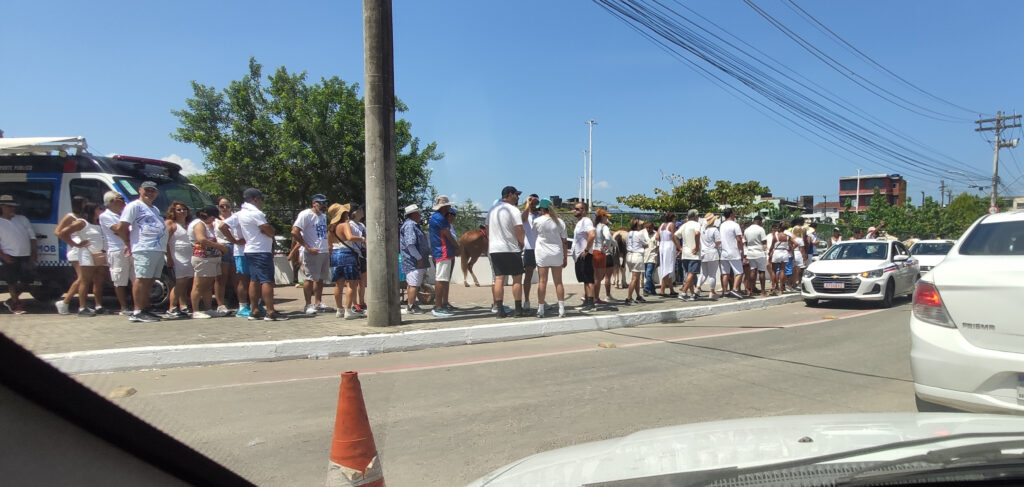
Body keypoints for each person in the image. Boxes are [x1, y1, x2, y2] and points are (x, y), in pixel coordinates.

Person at [114, 181, 169, 323]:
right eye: (147, 190)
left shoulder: (154, 208)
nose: (150, 193)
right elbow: (121, 227)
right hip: (144, 247)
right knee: (142, 279)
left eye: (153, 190)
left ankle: (145, 308)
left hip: (157, 249)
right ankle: (137, 311)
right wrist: (128, 243)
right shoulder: (134, 206)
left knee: (150, 280)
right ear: (140, 190)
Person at [236, 187, 287, 321]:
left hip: (250, 249)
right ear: (255, 199)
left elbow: (223, 226)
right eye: (261, 200)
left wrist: (234, 240)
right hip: (261, 250)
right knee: (267, 281)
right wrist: (271, 231)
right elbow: (268, 230)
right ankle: (270, 311)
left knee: (255, 280)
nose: (262, 203)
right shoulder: (256, 213)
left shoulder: (241, 213)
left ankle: (255, 310)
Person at [487, 186, 526, 318]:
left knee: (499, 278)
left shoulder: (491, 210)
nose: (518, 197)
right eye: (516, 194)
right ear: (509, 195)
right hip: (510, 248)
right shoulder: (513, 210)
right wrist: (522, 243)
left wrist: (492, 241)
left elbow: (487, 229)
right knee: (517, 277)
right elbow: (519, 228)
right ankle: (518, 309)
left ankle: (499, 310)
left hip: (494, 248)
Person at [291, 194, 330, 315]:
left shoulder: (323, 216)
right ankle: (308, 304)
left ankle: (318, 302)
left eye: (325, 203)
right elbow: (295, 231)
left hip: (323, 251)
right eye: (321, 203)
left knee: (320, 279)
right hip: (312, 252)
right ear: (314, 203)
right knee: (309, 278)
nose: (324, 205)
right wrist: (307, 246)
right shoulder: (306, 214)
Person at [188, 205, 228, 319]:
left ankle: (208, 308)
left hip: (211, 258)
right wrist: (219, 246)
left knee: (208, 285)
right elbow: (202, 239)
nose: (213, 220)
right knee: (199, 284)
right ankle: (195, 310)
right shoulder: (198, 223)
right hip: (202, 258)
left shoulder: (206, 224)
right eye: (212, 217)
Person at [531, 199, 568, 318]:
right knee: (558, 282)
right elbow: (564, 242)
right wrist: (565, 257)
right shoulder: (560, 222)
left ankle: (540, 309)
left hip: (542, 253)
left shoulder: (537, 221)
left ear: (542, 209)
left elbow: (535, 232)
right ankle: (561, 309)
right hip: (557, 252)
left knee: (542, 281)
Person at [0, 194, 37, 314]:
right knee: (12, 281)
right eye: (9, 206)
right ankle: (16, 304)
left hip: (25, 254)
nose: (12, 209)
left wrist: (33, 251)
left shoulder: (22, 219)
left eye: (13, 207)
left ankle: (11, 300)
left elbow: (32, 236)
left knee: (27, 280)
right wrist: (3, 255)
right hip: (10, 255)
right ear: (2, 207)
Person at [328, 203, 364, 319]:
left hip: (335, 254)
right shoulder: (344, 225)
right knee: (351, 283)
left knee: (338, 284)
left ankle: (339, 310)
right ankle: (348, 310)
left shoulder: (331, 228)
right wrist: (363, 239)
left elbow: (329, 245)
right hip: (347, 254)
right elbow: (350, 237)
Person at [54, 195, 87, 315]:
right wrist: (73, 243)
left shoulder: (82, 217)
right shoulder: (70, 216)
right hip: (76, 250)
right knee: (82, 277)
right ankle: (65, 302)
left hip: (83, 250)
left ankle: (68, 302)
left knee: (84, 278)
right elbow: (58, 232)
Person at [100, 191, 132, 315]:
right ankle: (124, 307)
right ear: (112, 201)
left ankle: (138, 305)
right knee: (120, 279)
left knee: (135, 278)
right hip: (117, 250)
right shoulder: (105, 216)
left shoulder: (123, 215)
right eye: (121, 199)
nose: (124, 201)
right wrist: (126, 234)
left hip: (130, 248)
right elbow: (118, 230)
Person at [220, 202, 252, 318]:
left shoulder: (256, 215)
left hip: (253, 251)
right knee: (243, 280)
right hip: (241, 252)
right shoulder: (238, 215)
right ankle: (242, 307)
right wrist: (235, 241)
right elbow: (222, 226)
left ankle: (254, 305)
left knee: (254, 279)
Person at [429, 195, 459, 317]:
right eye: (448, 206)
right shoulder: (440, 219)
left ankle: (441, 304)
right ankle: (438, 306)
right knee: (441, 279)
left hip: (443, 251)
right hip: (443, 251)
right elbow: (448, 235)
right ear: (444, 207)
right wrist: (457, 247)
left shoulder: (436, 218)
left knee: (443, 279)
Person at [164, 201, 193, 318]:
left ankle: (183, 305)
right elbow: (165, 241)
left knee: (185, 281)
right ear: (173, 211)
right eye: (179, 210)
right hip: (176, 255)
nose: (182, 212)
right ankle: (171, 307)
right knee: (179, 281)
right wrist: (169, 257)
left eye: (184, 209)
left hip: (188, 254)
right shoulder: (171, 223)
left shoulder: (188, 224)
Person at [400, 204, 430, 315]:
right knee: (413, 283)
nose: (420, 215)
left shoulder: (412, 225)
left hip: (413, 260)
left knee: (412, 283)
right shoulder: (410, 226)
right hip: (413, 261)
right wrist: (418, 257)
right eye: (418, 213)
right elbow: (410, 244)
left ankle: (411, 304)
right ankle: (411, 306)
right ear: (413, 214)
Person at [213, 198, 238, 315]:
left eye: (227, 206)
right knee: (221, 278)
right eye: (222, 206)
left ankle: (241, 302)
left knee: (236, 277)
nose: (224, 208)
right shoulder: (215, 220)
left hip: (235, 247)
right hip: (222, 248)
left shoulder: (235, 218)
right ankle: (220, 304)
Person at [570, 201, 596, 312]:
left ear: (584, 211)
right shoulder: (579, 222)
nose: (575, 210)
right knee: (584, 279)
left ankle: (591, 303)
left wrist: (586, 250)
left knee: (589, 279)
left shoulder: (586, 221)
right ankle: (586, 301)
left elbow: (592, 234)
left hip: (585, 255)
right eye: (575, 208)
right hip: (579, 256)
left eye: (577, 209)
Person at [675, 209, 701, 301]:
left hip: (685, 253)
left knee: (689, 274)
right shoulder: (696, 224)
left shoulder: (684, 225)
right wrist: (697, 247)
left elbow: (675, 236)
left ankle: (692, 294)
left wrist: (679, 247)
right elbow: (697, 234)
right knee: (691, 274)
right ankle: (684, 292)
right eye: (697, 216)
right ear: (694, 217)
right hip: (694, 254)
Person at [719, 208, 745, 299]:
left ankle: (725, 292)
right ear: (731, 214)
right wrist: (742, 251)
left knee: (725, 273)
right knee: (739, 272)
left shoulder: (721, 225)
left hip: (724, 252)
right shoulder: (735, 225)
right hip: (733, 251)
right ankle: (734, 289)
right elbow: (739, 239)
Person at [348, 204, 368, 313]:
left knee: (362, 280)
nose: (362, 211)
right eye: (360, 210)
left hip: (362, 254)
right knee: (354, 281)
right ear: (354, 212)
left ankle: (362, 301)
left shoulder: (361, 225)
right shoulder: (350, 225)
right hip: (354, 253)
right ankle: (354, 303)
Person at [697, 213, 722, 300]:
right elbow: (718, 242)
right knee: (712, 274)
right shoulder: (714, 230)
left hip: (703, 253)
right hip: (712, 253)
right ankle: (712, 291)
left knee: (703, 273)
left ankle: (698, 287)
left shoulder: (702, 229)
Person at [624, 218, 648, 305]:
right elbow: (646, 244)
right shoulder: (639, 234)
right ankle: (629, 297)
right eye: (640, 225)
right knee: (634, 278)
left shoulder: (629, 233)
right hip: (637, 255)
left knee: (636, 277)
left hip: (629, 255)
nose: (641, 226)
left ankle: (638, 295)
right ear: (637, 225)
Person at [592, 209, 614, 304]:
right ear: (602, 217)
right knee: (599, 277)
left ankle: (590, 295)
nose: (607, 218)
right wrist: (606, 247)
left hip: (592, 251)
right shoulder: (603, 226)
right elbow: (608, 237)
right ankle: (596, 298)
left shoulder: (593, 226)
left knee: (593, 277)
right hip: (600, 252)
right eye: (606, 216)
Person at [744, 215, 768, 297]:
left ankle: (750, 289)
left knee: (752, 271)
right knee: (762, 271)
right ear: (760, 221)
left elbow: (746, 243)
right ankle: (763, 291)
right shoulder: (761, 229)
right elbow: (764, 242)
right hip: (759, 252)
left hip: (750, 252)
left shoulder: (747, 230)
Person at [657, 212, 680, 297]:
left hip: (662, 246)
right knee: (668, 268)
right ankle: (662, 290)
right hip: (669, 246)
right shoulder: (672, 225)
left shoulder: (662, 225)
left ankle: (671, 289)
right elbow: (674, 237)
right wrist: (679, 247)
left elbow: (657, 237)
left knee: (665, 267)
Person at [767, 222, 791, 295]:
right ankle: (781, 289)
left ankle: (773, 287)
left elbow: (772, 246)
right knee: (782, 270)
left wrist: (770, 253)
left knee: (774, 270)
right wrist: (790, 249)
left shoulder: (776, 236)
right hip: (784, 252)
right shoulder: (787, 236)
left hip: (777, 252)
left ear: (779, 228)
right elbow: (795, 244)